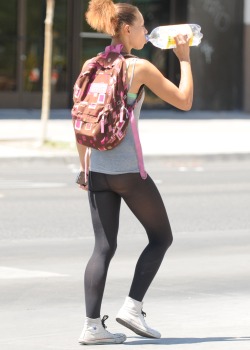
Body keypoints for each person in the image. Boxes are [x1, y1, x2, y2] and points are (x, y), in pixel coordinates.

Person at [76, 0, 193, 345]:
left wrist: (84, 169)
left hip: (96, 169)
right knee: (161, 238)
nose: (145, 31)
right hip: (128, 170)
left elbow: (81, 119)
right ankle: (132, 307)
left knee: (103, 247)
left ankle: (92, 327)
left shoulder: (91, 64)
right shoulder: (137, 68)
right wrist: (184, 57)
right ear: (127, 29)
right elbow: (184, 101)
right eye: (142, 26)